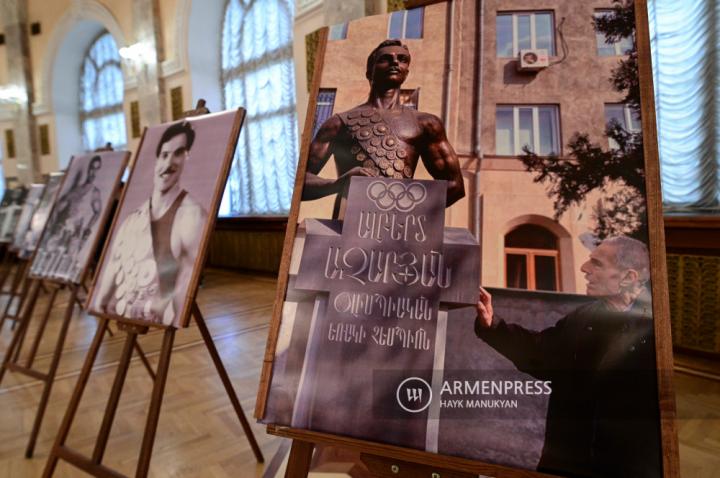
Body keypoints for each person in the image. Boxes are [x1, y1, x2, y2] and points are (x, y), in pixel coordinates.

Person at [475, 236, 662, 478]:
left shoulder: (659, 330)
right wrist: (493, 326)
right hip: (568, 461)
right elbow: (539, 352)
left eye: (597, 264)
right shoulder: (582, 318)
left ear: (628, 277)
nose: (584, 268)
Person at [302, 39, 465, 218]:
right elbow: (300, 183)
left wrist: (406, 213)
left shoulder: (426, 124)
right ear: (369, 72)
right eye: (385, 59)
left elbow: (454, 186)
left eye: (402, 59)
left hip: (399, 232)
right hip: (347, 223)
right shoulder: (338, 123)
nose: (395, 62)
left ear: (407, 71)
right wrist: (337, 184)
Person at [93, 121, 207, 326]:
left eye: (178, 153)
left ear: (187, 157)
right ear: (156, 161)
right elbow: (114, 264)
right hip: (124, 309)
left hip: (160, 318)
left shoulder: (192, 215)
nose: (169, 162)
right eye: (164, 155)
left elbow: (186, 284)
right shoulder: (131, 220)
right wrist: (98, 304)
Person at [37, 156, 103, 278]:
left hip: (76, 233)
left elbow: (98, 212)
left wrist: (87, 229)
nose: (93, 172)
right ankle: (51, 276)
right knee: (51, 255)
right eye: (92, 169)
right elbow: (59, 207)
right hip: (63, 229)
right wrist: (53, 221)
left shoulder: (94, 192)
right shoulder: (76, 190)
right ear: (88, 169)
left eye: (97, 169)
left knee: (69, 261)